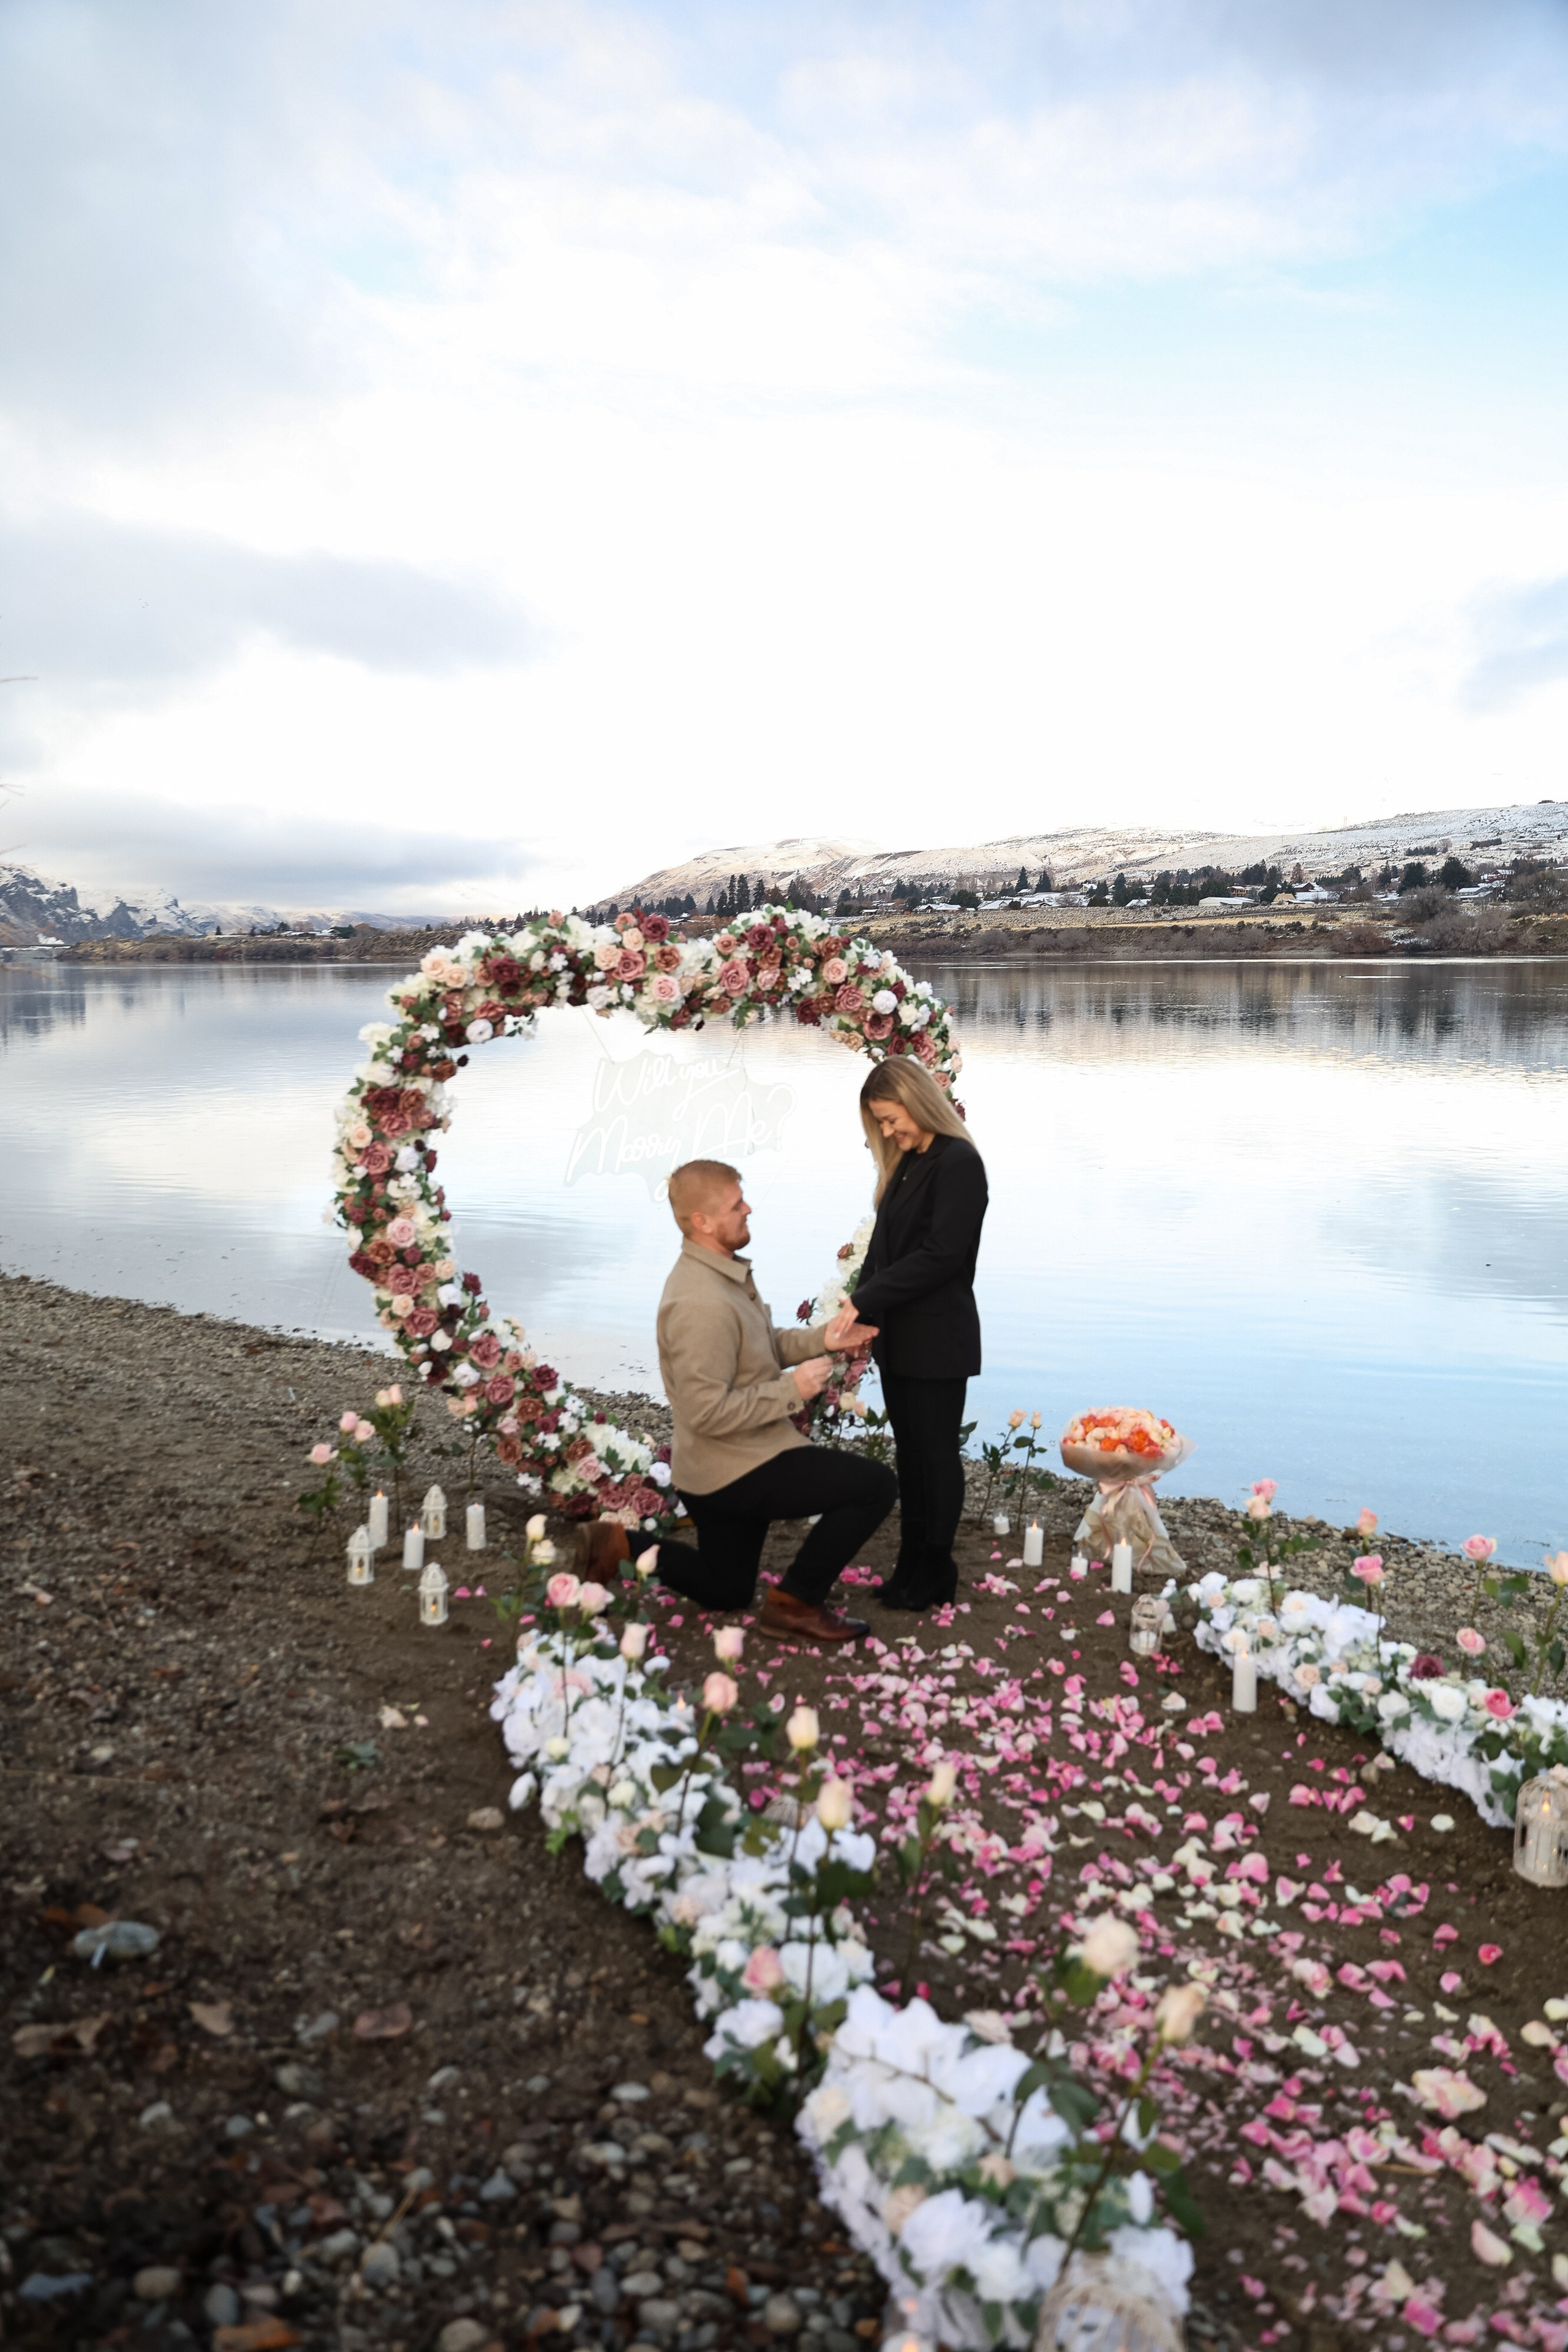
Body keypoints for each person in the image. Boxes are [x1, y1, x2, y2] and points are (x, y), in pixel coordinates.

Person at [589, 1158, 895, 1645]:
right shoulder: (700, 1302)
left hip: (726, 1462)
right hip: (731, 1469)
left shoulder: (721, 1275)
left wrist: (825, 1340)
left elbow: (761, 1346)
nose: (748, 1208)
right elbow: (705, 1412)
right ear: (702, 1222)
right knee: (875, 1486)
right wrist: (791, 1391)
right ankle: (795, 1603)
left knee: (726, 1590)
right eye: (736, 1206)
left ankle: (618, 1544)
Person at [847, 1060, 987, 1613]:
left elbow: (941, 1256)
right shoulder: (908, 1163)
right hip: (900, 1337)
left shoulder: (959, 1163)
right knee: (910, 1455)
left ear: (916, 1099)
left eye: (888, 1119)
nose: (886, 1132)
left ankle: (936, 1566)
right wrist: (856, 1309)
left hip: (938, 1337)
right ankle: (910, 1560)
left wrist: (864, 1299)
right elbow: (882, 1254)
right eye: (879, 1124)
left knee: (935, 1455)